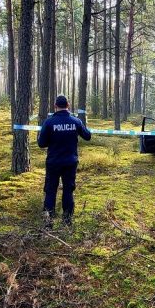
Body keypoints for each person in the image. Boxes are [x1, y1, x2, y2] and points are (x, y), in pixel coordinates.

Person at [37, 95, 91, 227]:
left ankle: (48, 223)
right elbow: (88, 136)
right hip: (70, 163)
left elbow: (41, 144)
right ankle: (67, 221)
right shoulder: (76, 121)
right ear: (68, 105)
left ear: (55, 106)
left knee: (50, 191)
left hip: (53, 163)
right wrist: (84, 123)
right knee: (68, 191)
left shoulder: (49, 122)